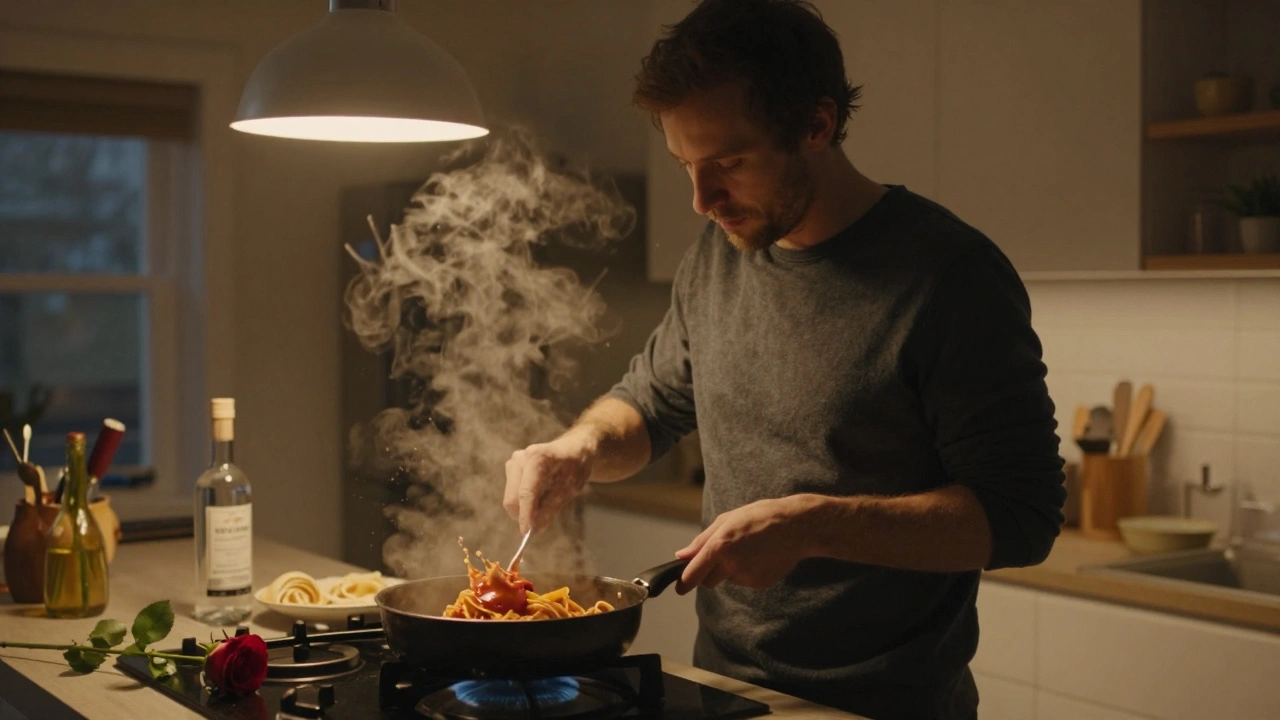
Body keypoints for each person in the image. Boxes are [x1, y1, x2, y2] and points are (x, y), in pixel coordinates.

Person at [503, 1, 1066, 718]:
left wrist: (810, 525)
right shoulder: (719, 255)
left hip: (886, 706)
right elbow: (651, 405)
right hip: (729, 692)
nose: (703, 200)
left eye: (729, 164)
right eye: (686, 166)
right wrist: (576, 449)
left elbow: (1022, 516)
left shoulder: (950, 277)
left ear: (817, 126)